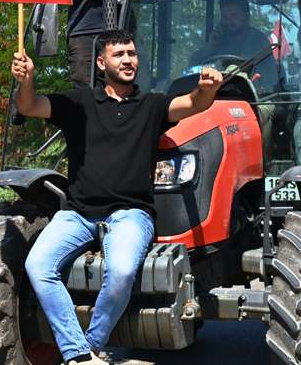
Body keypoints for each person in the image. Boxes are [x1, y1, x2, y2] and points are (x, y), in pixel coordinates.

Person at [13, 30, 223, 365]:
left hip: (130, 213)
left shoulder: (152, 105)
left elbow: (194, 103)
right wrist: (27, 80)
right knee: (37, 265)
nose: (128, 60)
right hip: (78, 213)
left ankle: (88, 347)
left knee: (122, 271)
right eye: (119, 54)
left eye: (132, 53)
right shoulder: (78, 103)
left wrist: (207, 89)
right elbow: (30, 105)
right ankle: (79, 354)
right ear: (101, 62)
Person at [189, 0, 279, 91]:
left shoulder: (257, 40)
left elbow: (266, 78)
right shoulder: (218, 40)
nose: (229, 21)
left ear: (246, 16)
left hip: (255, 97)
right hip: (217, 96)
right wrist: (210, 47)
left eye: (234, 15)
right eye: (224, 16)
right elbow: (192, 69)